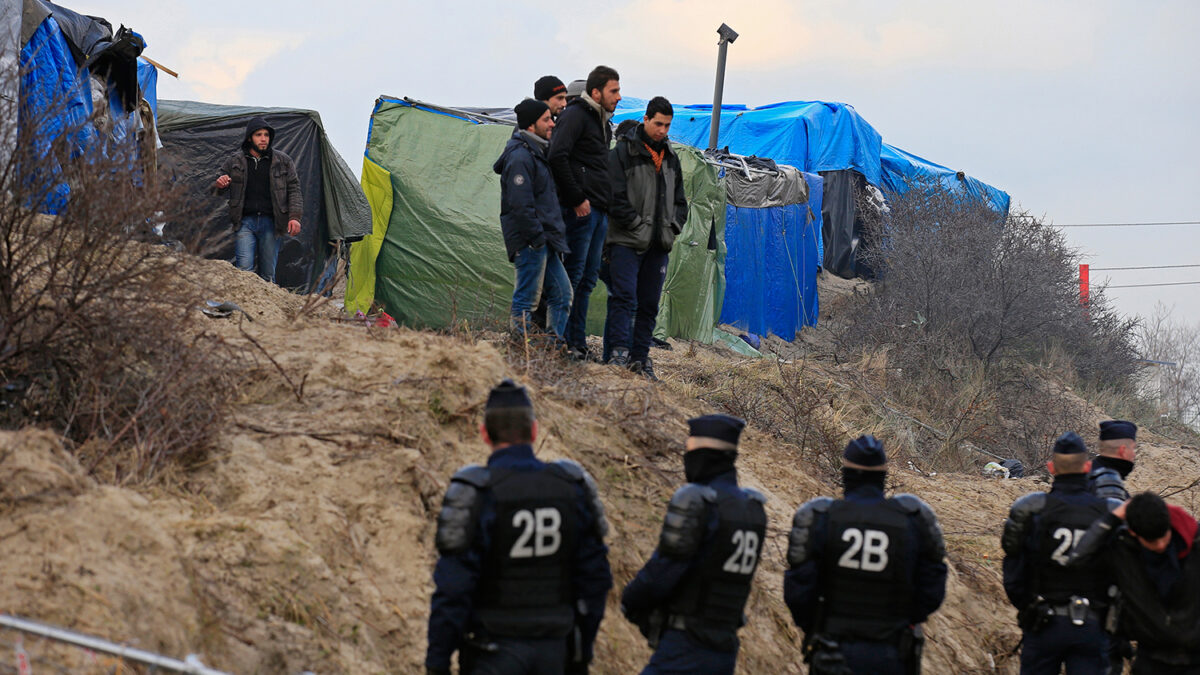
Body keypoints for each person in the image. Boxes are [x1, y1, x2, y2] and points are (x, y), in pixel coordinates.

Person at [425, 379, 612, 675]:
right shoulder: (572, 486)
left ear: (484, 433)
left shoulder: (474, 491)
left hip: (491, 653)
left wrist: (437, 663)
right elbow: (595, 580)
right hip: (555, 651)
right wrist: (581, 651)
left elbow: (453, 590)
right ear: (535, 431)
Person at [784, 435, 947, 674]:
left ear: (846, 473)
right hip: (892, 650)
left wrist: (816, 628)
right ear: (883, 475)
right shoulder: (912, 521)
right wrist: (903, 621)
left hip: (833, 648)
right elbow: (932, 588)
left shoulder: (822, 518)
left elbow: (799, 590)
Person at [621, 414, 767, 674]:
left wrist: (630, 601)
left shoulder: (698, 501)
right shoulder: (753, 508)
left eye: (689, 451)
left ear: (703, 455)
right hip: (725, 646)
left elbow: (663, 571)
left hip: (685, 645)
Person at [1000, 431, 1113, 674]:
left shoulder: (1033, 510)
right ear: (1087, 467)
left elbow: (1014, 568)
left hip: (1044, 623)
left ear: (1051, 467)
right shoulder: (1108, 513)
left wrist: (1027, 606)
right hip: (1093, 626)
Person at [603, 96, 687, 380]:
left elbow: (681, 202)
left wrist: (672, 226)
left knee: (649, 303)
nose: (663, 130)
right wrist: (637, 225)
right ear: (646, 120)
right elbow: (613, 196)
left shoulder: (671, 159)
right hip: (626, 241)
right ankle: (617, 353)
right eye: (658, 124)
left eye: (667, 125)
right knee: (624, 298)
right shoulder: (623, 153)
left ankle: (639, 359)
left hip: (658, 244)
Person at [1069, 491, 1200, 674]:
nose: (1161, 545)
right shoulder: (1124, 551)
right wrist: (1112, 518)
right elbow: (1077, 560)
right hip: (1150, 657)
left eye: (1164, 536)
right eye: (1151, 541)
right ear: (1133, 532)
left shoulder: (1194, 542)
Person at [548, 65, 621, 361]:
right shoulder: (576, 115)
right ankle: (562, 343)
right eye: (613, 91)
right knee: (574, 276)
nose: (619, 96)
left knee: (588, 279)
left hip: (599, 211)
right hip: (581, 211)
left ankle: (576, 343)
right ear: (595, 92)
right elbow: (557, 155)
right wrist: (577, 197)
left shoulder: (602, 123)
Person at [493, 100, 572, 340]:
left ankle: (554, 346)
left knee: (562, 295)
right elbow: (520, 204)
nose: (552, 124)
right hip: (531, 241)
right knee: (526, 298)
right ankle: (520, 345)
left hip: (545, 240)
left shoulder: (537, 153)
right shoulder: (520, 157)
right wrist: (536, 237)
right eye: (546, 119)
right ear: (530, 125)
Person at [213, 116, 302, 283]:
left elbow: (294, 190)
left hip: (272, 223)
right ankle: (243, 308)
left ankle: (266, 309)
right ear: (249, 138)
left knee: (268, 275)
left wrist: (295, 217)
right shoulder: (235, 161)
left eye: (266, 135)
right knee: (244, 272)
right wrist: (220, 183)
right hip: (245, 222)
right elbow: (216, 187)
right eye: (259, 135)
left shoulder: (283, 161)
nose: (263, 139)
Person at [1090, 420, 1138, 501]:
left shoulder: (1083, 473)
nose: (1134, 454)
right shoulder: (1112, 491)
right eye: (1133, 448)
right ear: (1123, 450)